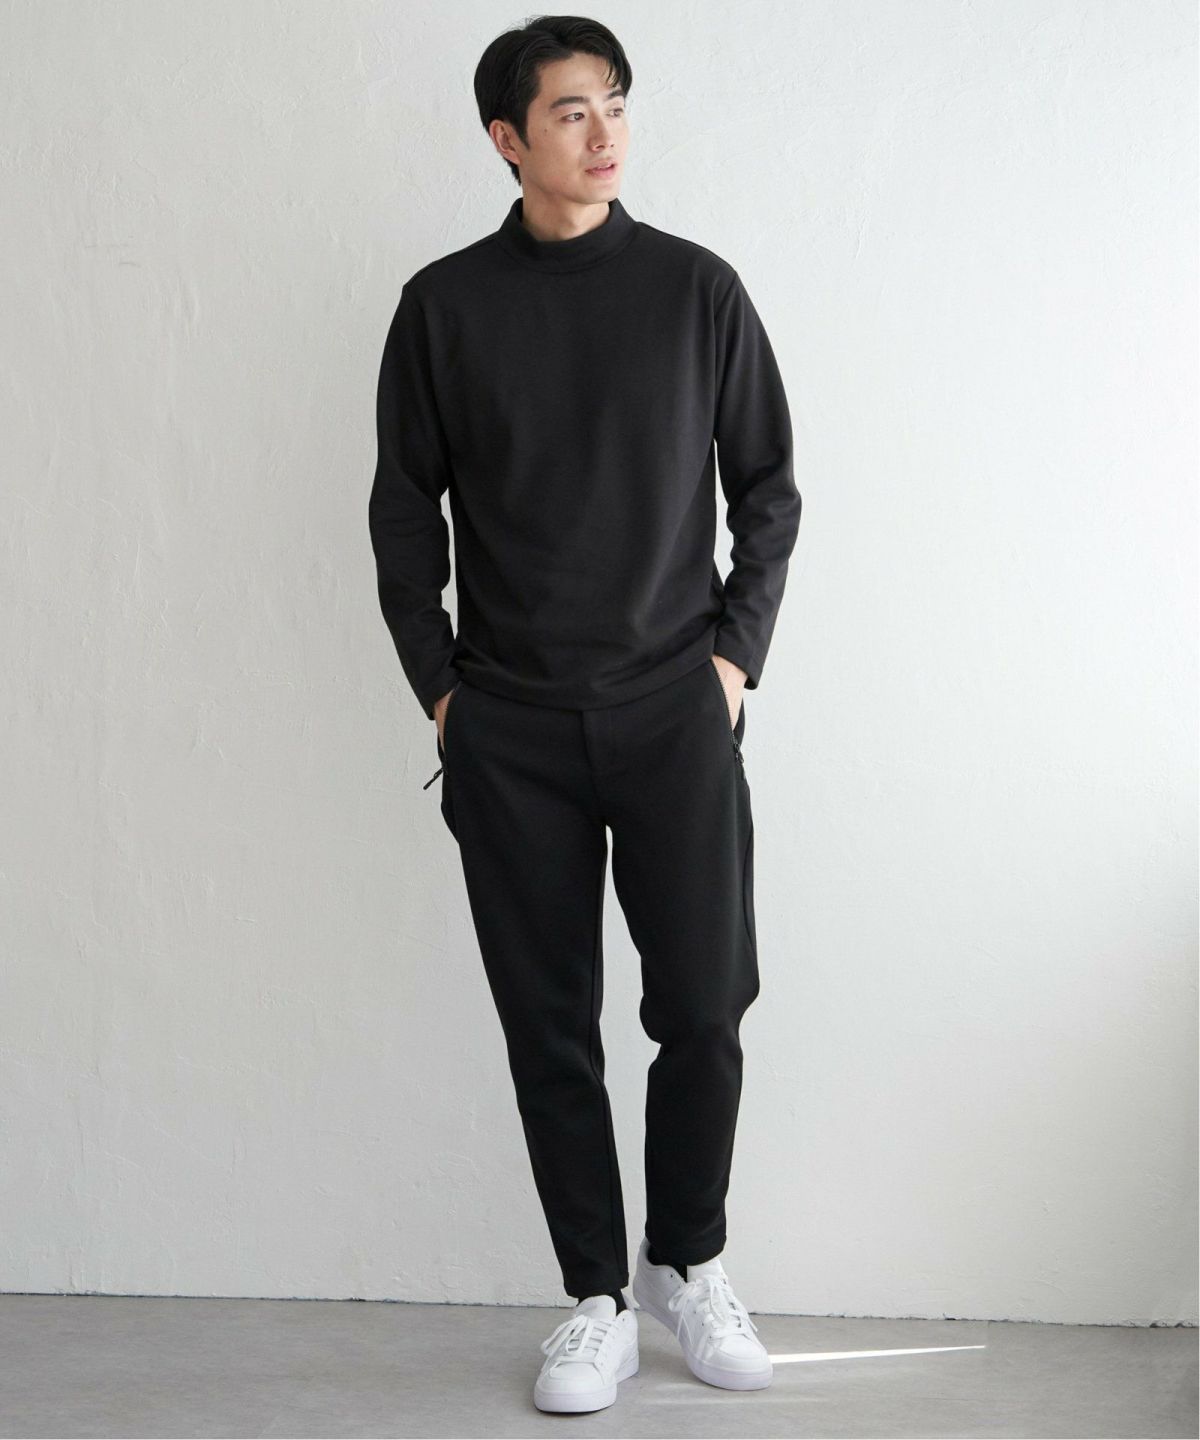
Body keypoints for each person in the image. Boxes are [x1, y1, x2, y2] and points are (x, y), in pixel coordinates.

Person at [368, 14, 802, 1415]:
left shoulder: (696, 291)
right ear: (507, 138)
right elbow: (401, 516)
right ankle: (598, 1298)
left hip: (676, 707)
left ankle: (691, 1260)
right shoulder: (444, 308)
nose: (606, 131)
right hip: (512, 729)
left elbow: (770, 490)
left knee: (707, 1007)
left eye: (615, 100)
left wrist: (733, 665)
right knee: (550, 1025)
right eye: (570, 110)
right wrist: (445, 695)